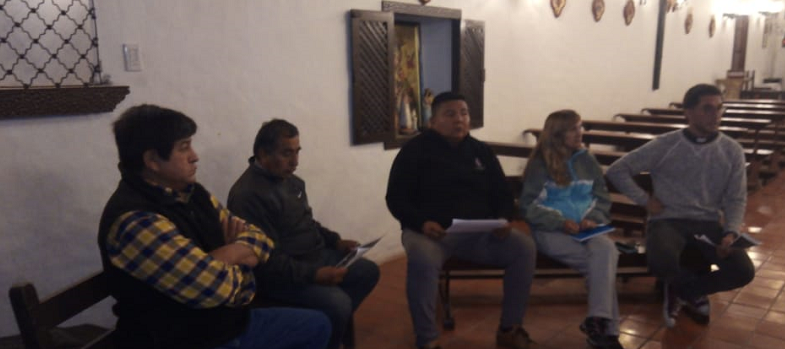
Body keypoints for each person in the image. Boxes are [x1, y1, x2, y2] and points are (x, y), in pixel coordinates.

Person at [98, 104, 330, 349]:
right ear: (152, 160)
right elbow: (214, 290)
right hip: (184, 340)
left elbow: (261, 240)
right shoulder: (135, 221)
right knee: (326, 309)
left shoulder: (191, 193)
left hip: (228, 325)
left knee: (318, 325)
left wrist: (220, 257)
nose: (194, 156)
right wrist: (238, 255)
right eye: (184, 147)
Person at [386, 91, 538, 349]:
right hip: (431, 233)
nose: (459, 119)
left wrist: (503, 219)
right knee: (422, 258)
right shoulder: (414, 151)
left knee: (523, 247)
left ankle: (509, 328)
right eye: (450, 114)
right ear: (433, 121)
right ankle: (427, 339)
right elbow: (396, 198)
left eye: (464, 113)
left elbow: (502, 193)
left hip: (480, 234)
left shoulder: (480, 151)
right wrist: (421, 222)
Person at [606, 84, 755, 328]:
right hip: (668, 220)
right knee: (661, 259)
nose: (716, 115)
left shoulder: (732, 151)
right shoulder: (666, 144)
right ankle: (690, 293)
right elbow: (617, 170)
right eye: (707, 108)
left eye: (719, 108)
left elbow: (736, 198)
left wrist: (731, 232)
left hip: (708, 223)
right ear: (688, 112)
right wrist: (645, 200)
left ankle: (684, 291)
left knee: (743, 271)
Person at [228, 119, 380, 349]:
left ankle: (327, 331)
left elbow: (307, 222)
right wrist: (314, 275)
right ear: (263, 153)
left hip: (315, 256)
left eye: (297, 151)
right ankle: (325, 332)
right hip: (282, 274)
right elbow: (267, 260)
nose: (295, 161)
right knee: (338, 304)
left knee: (367, 271)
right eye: (286, 153)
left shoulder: (291, 181)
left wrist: (336, 241)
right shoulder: (247, 195)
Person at [519, 110, 622, 349]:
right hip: (551, 231)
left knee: (606, 251)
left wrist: (592, 218)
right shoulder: (540, 164)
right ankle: (608, 333)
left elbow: (601, 197)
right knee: (602, 267)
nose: (580, 133)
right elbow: (528, 206)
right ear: (557, 133)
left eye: (580, 127)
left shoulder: (587, 160)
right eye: (573, 129)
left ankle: (597, 322)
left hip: (587, 228)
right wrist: (560, 222)